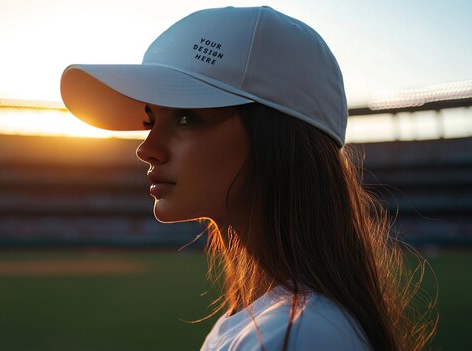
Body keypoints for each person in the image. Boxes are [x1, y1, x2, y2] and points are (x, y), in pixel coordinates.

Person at [60, 5, 436, 351]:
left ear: (274, 140)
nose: (147, 148)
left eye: (187, 117)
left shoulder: (299, 334)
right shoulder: (265, 320)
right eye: (151, 120)